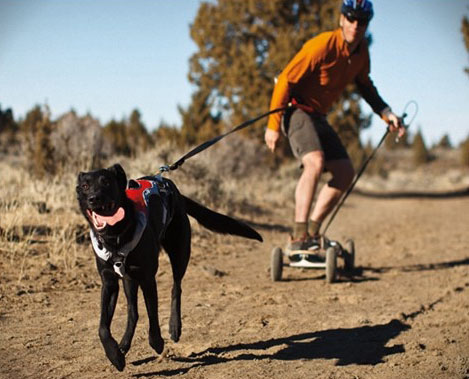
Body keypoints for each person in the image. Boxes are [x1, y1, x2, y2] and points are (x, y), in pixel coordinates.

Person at [264, 0, 405, 253]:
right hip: (296, 110)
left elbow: (365, 85)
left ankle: (313, 231)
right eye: (351, 18)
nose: (355, 25)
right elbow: (285, 80)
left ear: (367, 24)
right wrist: (273, 125)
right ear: (342, 19)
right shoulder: (322, 45)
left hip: (319, 116)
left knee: (344, 172)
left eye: (361, 21)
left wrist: (387, 113)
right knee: (315, 162)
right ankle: (298, 236)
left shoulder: (361, 53)